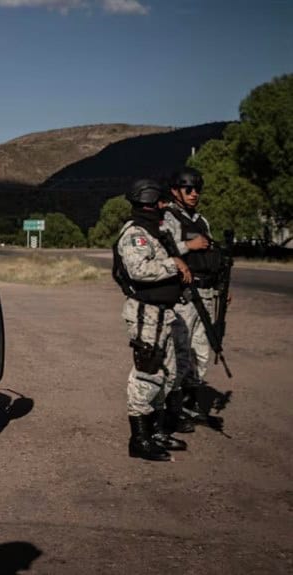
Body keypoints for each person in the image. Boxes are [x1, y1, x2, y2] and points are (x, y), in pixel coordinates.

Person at [112, 179, 191, 461]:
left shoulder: (155, 230)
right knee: (148, 373)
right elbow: (139, 270)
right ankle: (139, 439)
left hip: (163, 313)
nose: (165, 206)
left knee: (167, 373)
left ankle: (157, 431)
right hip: (147, 314)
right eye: (160, 202)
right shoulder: (136, 233)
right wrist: (174, 264)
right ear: (149, 202)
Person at [162, 167, 222, 429]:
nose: (194, 193)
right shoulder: (169, 218)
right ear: (175, 191)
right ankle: (173, 411)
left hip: (207, 293)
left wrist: (221, 286)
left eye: (197, 189)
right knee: (181, 353)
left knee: (201, 351)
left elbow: (212, 255)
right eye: (188, 189)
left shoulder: (202, 221)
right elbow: (166, 251)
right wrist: (189, 246)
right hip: (185, 295)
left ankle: (191, 403)